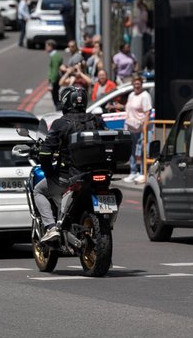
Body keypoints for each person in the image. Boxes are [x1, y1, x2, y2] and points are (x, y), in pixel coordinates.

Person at [35, 87, 106, 242]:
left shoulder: (61, 123)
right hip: (96, 174)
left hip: (69, 176)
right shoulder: (96, 120)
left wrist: (49, 172)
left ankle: (51, 228)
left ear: (66, 102)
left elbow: (46, 152)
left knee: (38, 191)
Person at [123, 75, 152, 184]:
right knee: (132, 151)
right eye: (135, 84)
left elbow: (147, 112)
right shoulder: (131, 95)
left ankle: (142, 172)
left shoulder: (145, 96)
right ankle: (133, 171)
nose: (137, 86)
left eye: (138, 84)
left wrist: (145, 126)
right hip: (131, 127)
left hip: (140, 128)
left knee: (142, 150)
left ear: (141, 85)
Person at [46, 40, 63, 110]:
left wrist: (51, 84)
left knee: (56, 99)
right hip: (56, 80)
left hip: (55, 81)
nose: (46, 48)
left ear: (51, 46)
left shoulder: (55, 57)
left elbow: (55, 71)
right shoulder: (55, 56)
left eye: (46, 46)